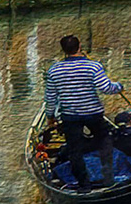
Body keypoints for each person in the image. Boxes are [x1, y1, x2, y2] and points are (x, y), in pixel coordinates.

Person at [44, 35, 124, 187]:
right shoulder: (93, 66)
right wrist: (119, 86)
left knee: (75, 149)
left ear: (63, 50)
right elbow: (106, 88)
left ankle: (84, 184)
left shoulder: (54, 71)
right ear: (79, 47)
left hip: (70, 116)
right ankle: (108, 179)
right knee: (105, 141)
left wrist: (50, 117)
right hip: (93, 113)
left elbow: (51, 99)